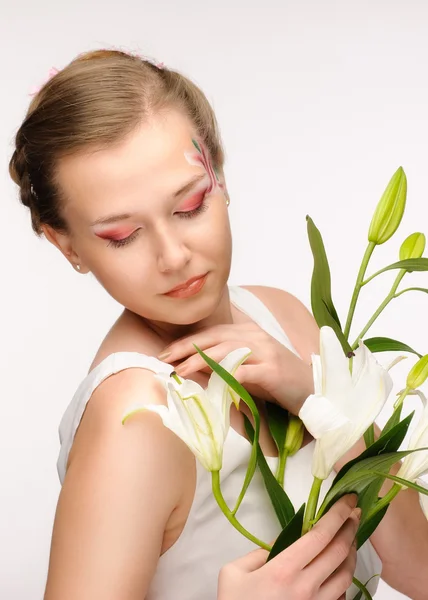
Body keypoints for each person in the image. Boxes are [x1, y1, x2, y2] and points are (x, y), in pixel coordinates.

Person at [9, 49, 428, 600]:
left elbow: (420, 575)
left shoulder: (283, 319)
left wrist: (318, 403)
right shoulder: (135, 419)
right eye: (122, 236)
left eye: (190, 205)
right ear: (68, 246)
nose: (173, 256)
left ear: (220, 174)